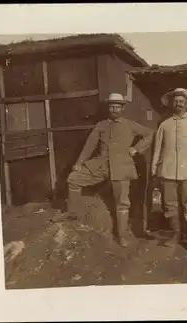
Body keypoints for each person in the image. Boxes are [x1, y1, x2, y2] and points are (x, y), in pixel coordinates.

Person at [66, 93, 154, 248]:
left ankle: (121, 236)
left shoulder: (130, 124)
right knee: (73, 179)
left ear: (122, 108)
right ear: (108, 108)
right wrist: (79, 163)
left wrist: (136, 148)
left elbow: (149, 134)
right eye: (111, 106)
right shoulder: (101, 125)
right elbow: (89, 145)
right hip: (101, 166)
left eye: (117, 106)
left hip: (122, 167)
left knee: (122, 203)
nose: (114, 109)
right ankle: (73, 214)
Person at [151, 88, 187, 252]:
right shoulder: (164, 125)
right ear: (171, 103)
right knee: (170, 205)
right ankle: (175, 235)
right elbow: (157, 149)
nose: (179, 103)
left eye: (182, 101)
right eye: (176, 101)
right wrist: (154, 170)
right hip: (167, 171)